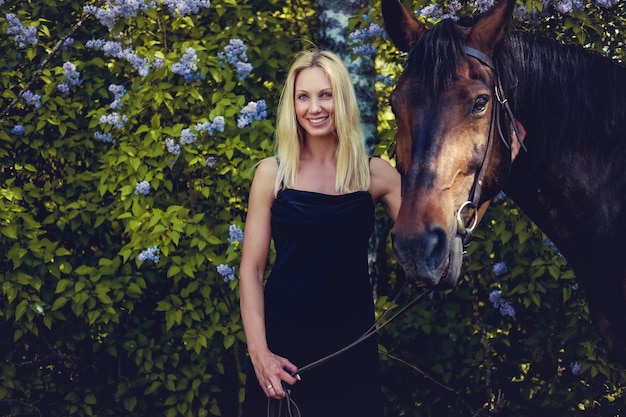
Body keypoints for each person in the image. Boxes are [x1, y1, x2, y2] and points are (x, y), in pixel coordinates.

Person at [239, 48, 401, 417]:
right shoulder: (272, 174)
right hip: (281, 352)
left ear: (341, 98)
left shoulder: (375, 173)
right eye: (304, 97)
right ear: (292, 105)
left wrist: (491, 181)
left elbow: (439, 236)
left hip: (352, 347)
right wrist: (259, 353)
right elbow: (250, 269)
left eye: (325, 94)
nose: (315, 108)